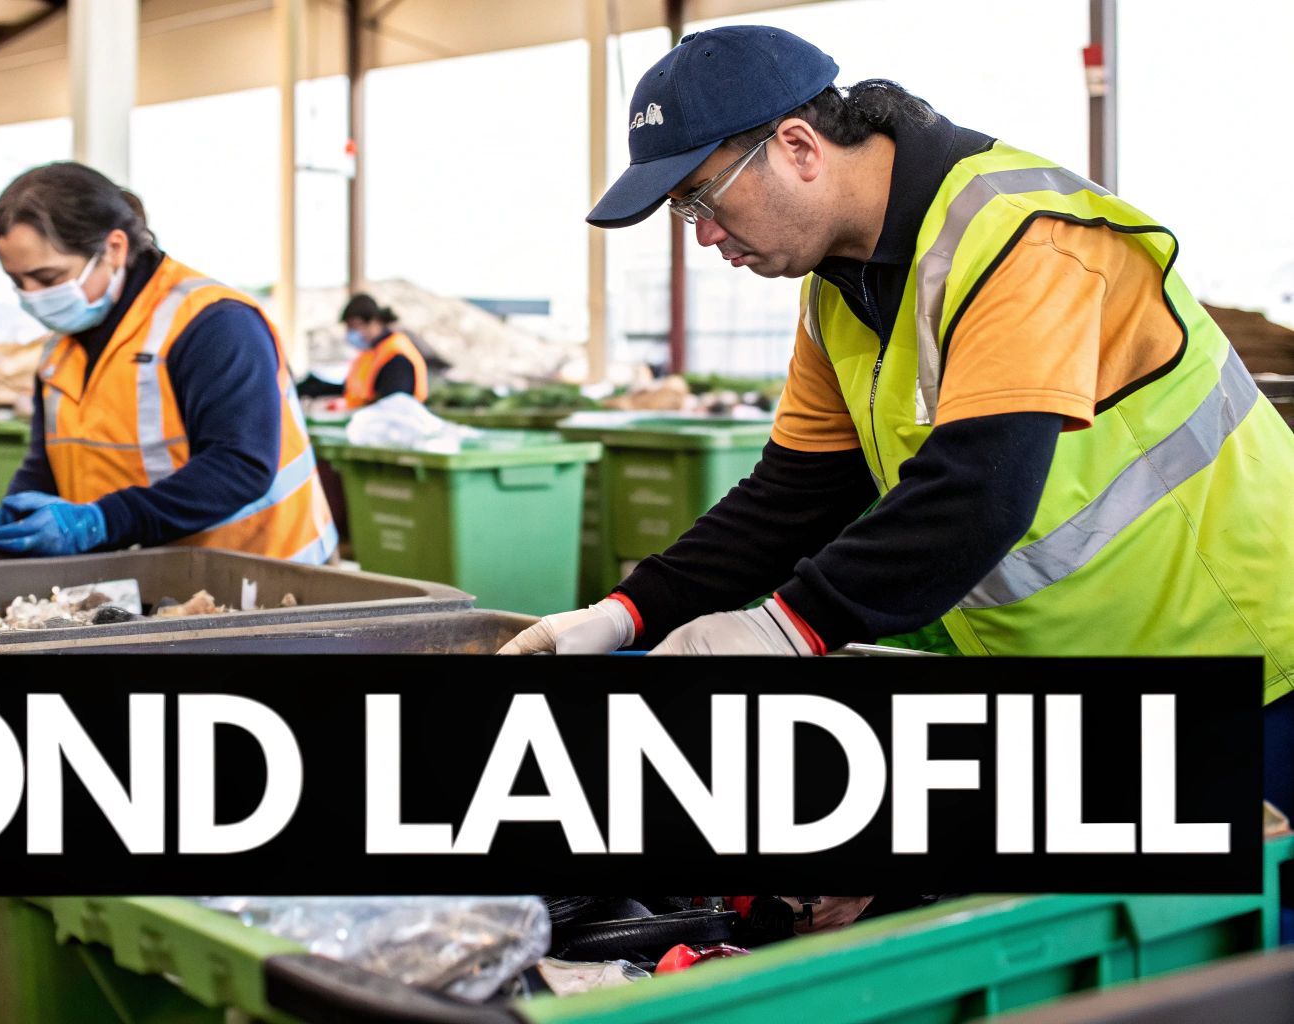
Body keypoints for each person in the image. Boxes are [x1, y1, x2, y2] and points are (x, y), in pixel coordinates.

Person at [499, 27, 1294, 840]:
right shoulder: (839, 294)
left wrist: (781, 628)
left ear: (799, 147)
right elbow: (792, 494)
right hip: (1082, 679)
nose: (702, 235)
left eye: (701, 198)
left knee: (1248, 943)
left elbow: (978, 492)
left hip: (1244, 663)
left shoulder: (1023, 235)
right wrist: (629, 612)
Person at [0, 162, 339, 563]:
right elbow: (49, 462)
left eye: (47, 278)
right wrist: (21, 510)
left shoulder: (213, 324)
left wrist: (103, 522)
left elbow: (240, 466)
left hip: (264, 580)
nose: (32, 297)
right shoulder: (59, 351)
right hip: (155, 581)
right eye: (18, 282)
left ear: (114, 248)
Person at [340, 293, 428, 407]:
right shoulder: (371, 353)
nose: (352, 333)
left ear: (374, 321)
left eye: (355, 326)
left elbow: (394, 404)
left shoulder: (396, 356)